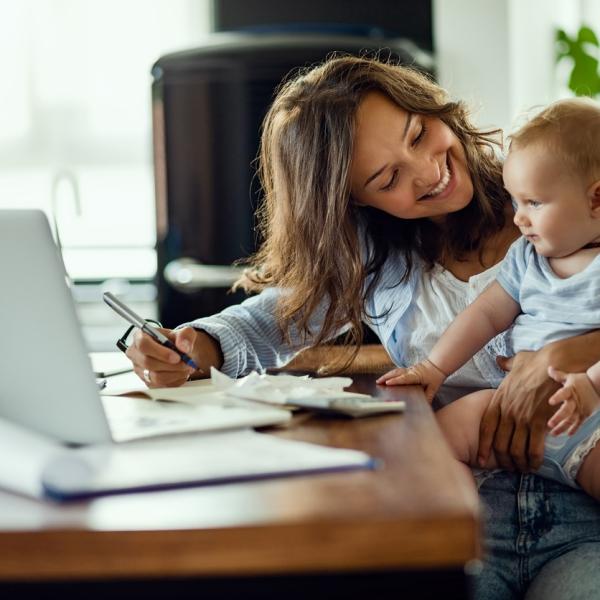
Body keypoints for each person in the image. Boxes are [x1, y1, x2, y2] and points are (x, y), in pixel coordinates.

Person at [124, 56, 600, 599]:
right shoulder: (376, 260)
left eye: (419, 134)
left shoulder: (551, 192)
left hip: (583, 511)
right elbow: (266, 322)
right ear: (353, 199)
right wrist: (190, 346)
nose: (428, 170)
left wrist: (568, 354)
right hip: (463, 513)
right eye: (388, 177)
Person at [377, 98, 600, 499]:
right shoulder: (526, 259)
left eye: (533, 203)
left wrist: (592, 386)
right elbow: (485, 314)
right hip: (505, 410)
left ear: (596, 200)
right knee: (432, 444)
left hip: (590, 421)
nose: (518, 218)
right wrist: (433, 367)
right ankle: (464, 527)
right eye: (515, 202)